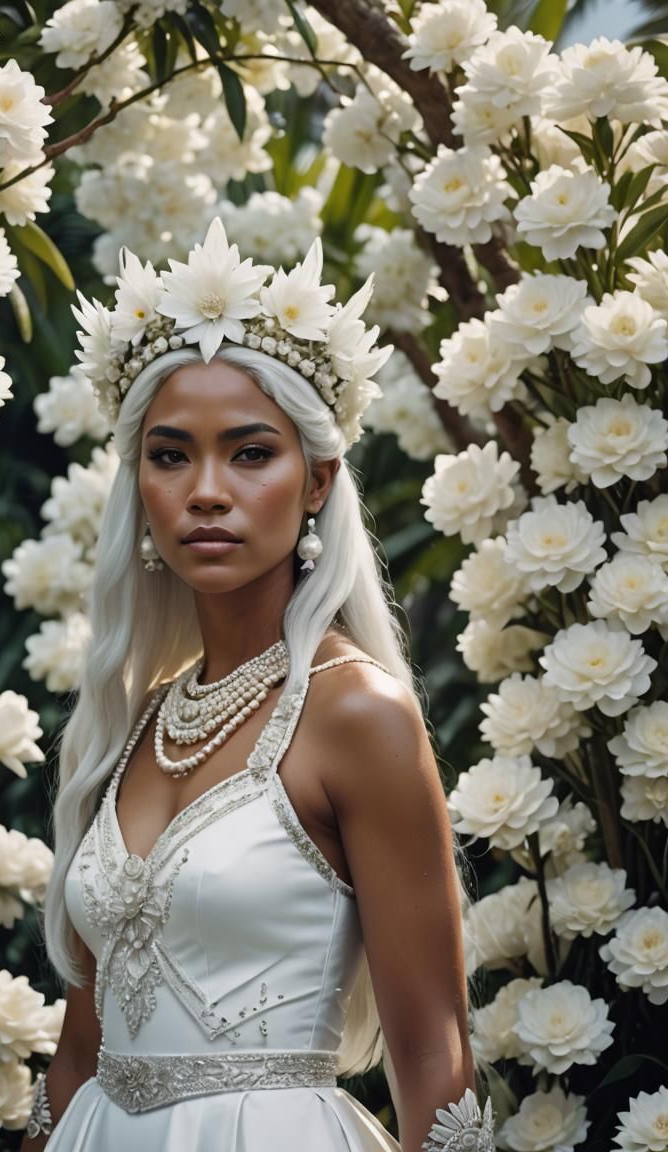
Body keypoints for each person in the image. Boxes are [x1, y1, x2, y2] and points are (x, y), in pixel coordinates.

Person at [25, 219, 496, 1152]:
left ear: (317, 480)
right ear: (142, 488)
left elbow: (434, 1058)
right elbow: (81, 1048)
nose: (206, 491)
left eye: (250, 453)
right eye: (170, 455)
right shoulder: (137, 722)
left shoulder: (358, 714)